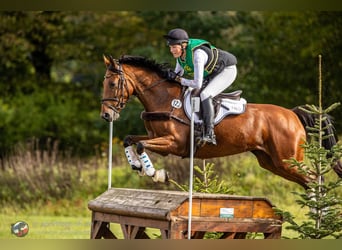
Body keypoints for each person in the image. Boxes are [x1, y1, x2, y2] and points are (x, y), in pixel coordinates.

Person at [164, 28, 237, 145]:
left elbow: (196, 83)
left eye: (174, 47)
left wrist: (178, 79)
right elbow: (177, 75)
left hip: (227, 70)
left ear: (183, 45)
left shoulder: (197, 55)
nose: (171, 50)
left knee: (205, 94)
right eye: (170, 47)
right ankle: (198, 127)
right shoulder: (180, 56)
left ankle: (209, 133)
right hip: (211, 74)